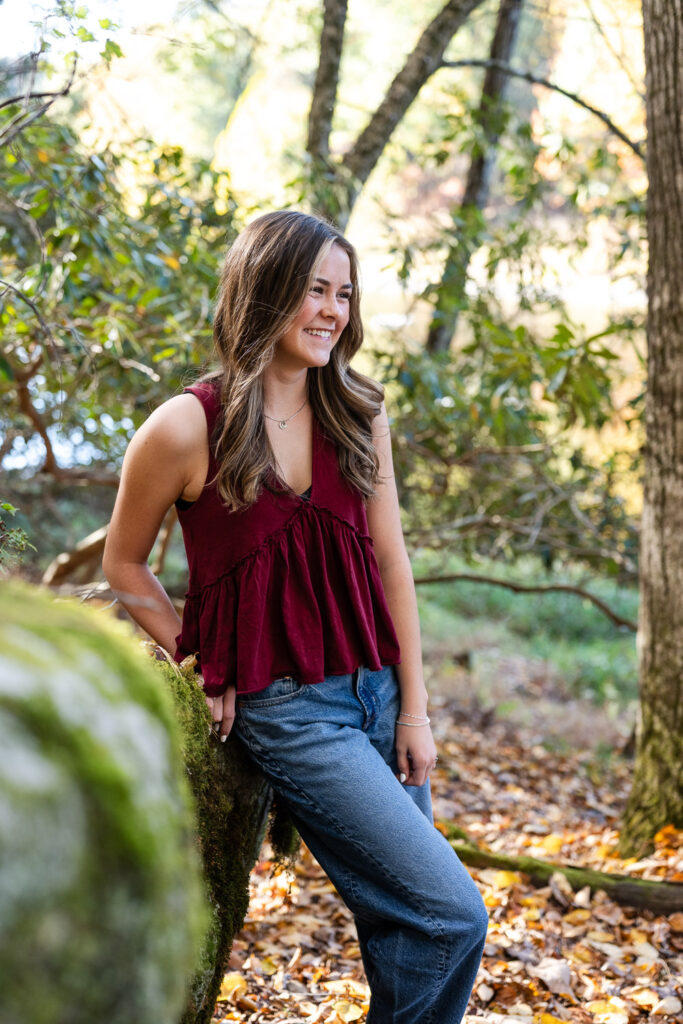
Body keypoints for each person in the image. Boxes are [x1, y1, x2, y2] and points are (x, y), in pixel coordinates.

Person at [102, 209, 488, 1023]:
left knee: (404, 919)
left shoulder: (357, 412)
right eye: (314, 289)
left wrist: (414, 708)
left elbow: (391, 561)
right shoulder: (187, 425)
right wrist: (197, 657)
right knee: (452, 915)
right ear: (265, 288)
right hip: (290, 714)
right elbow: (123, 563)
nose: (331, 311)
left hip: (377, 693)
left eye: (343, 294)